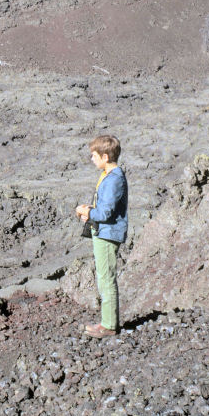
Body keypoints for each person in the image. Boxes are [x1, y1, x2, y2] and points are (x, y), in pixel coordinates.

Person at [75, 134, 128, 338]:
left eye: (94, 155)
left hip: (107, 235)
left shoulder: (114, 179)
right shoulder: (109, 176)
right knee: (104, 278)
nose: (92, 159)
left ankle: (109, 326)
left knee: (106, 279)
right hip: (103, 231)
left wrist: (88, 213)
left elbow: (105, 213)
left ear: (105, 157)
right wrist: (90, 212)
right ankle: (107, 322)